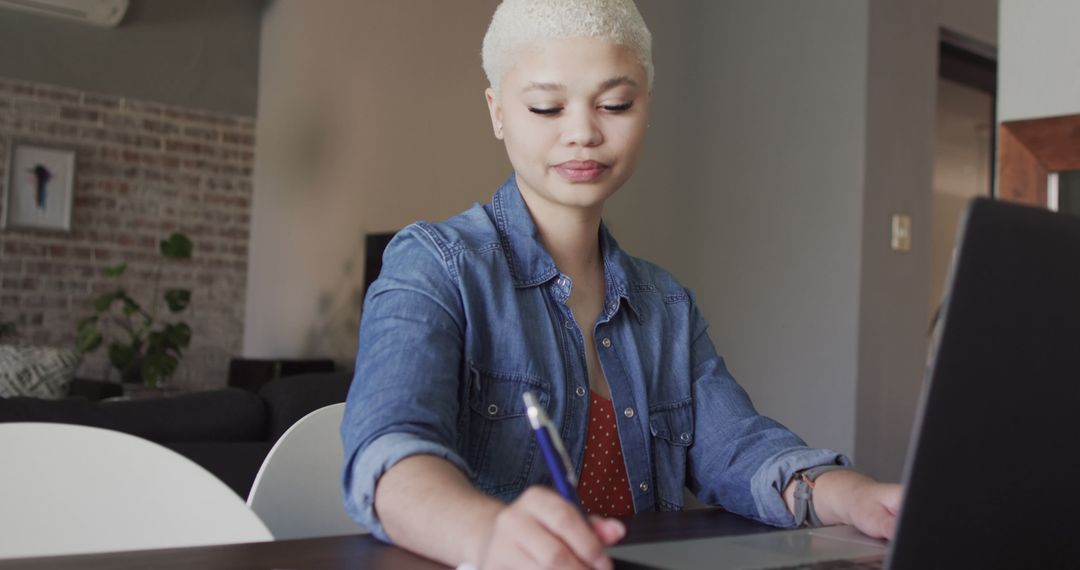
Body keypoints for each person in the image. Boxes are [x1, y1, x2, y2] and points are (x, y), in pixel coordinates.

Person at [340, 1, 902, 568]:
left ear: (646, 107)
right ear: (498, 112)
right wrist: (488, 536)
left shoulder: (666, 306)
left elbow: (740, 451)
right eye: (546, 106)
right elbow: (390, 453)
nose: (582, 132)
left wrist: (853, 495)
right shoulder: (434, 265)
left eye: (615, 104)